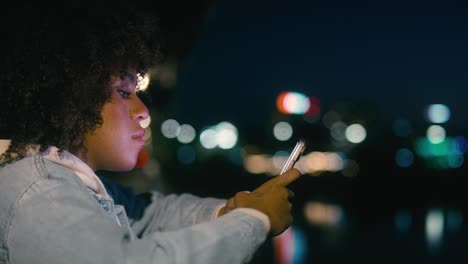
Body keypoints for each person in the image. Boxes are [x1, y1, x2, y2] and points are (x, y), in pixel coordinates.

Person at [0, 2, 301, 264]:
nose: (143, 111)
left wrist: (229, 211)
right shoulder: (37, 190)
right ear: (70, 97)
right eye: (123, 91)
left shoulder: (66, 178)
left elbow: (151, 213)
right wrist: (254, 221)